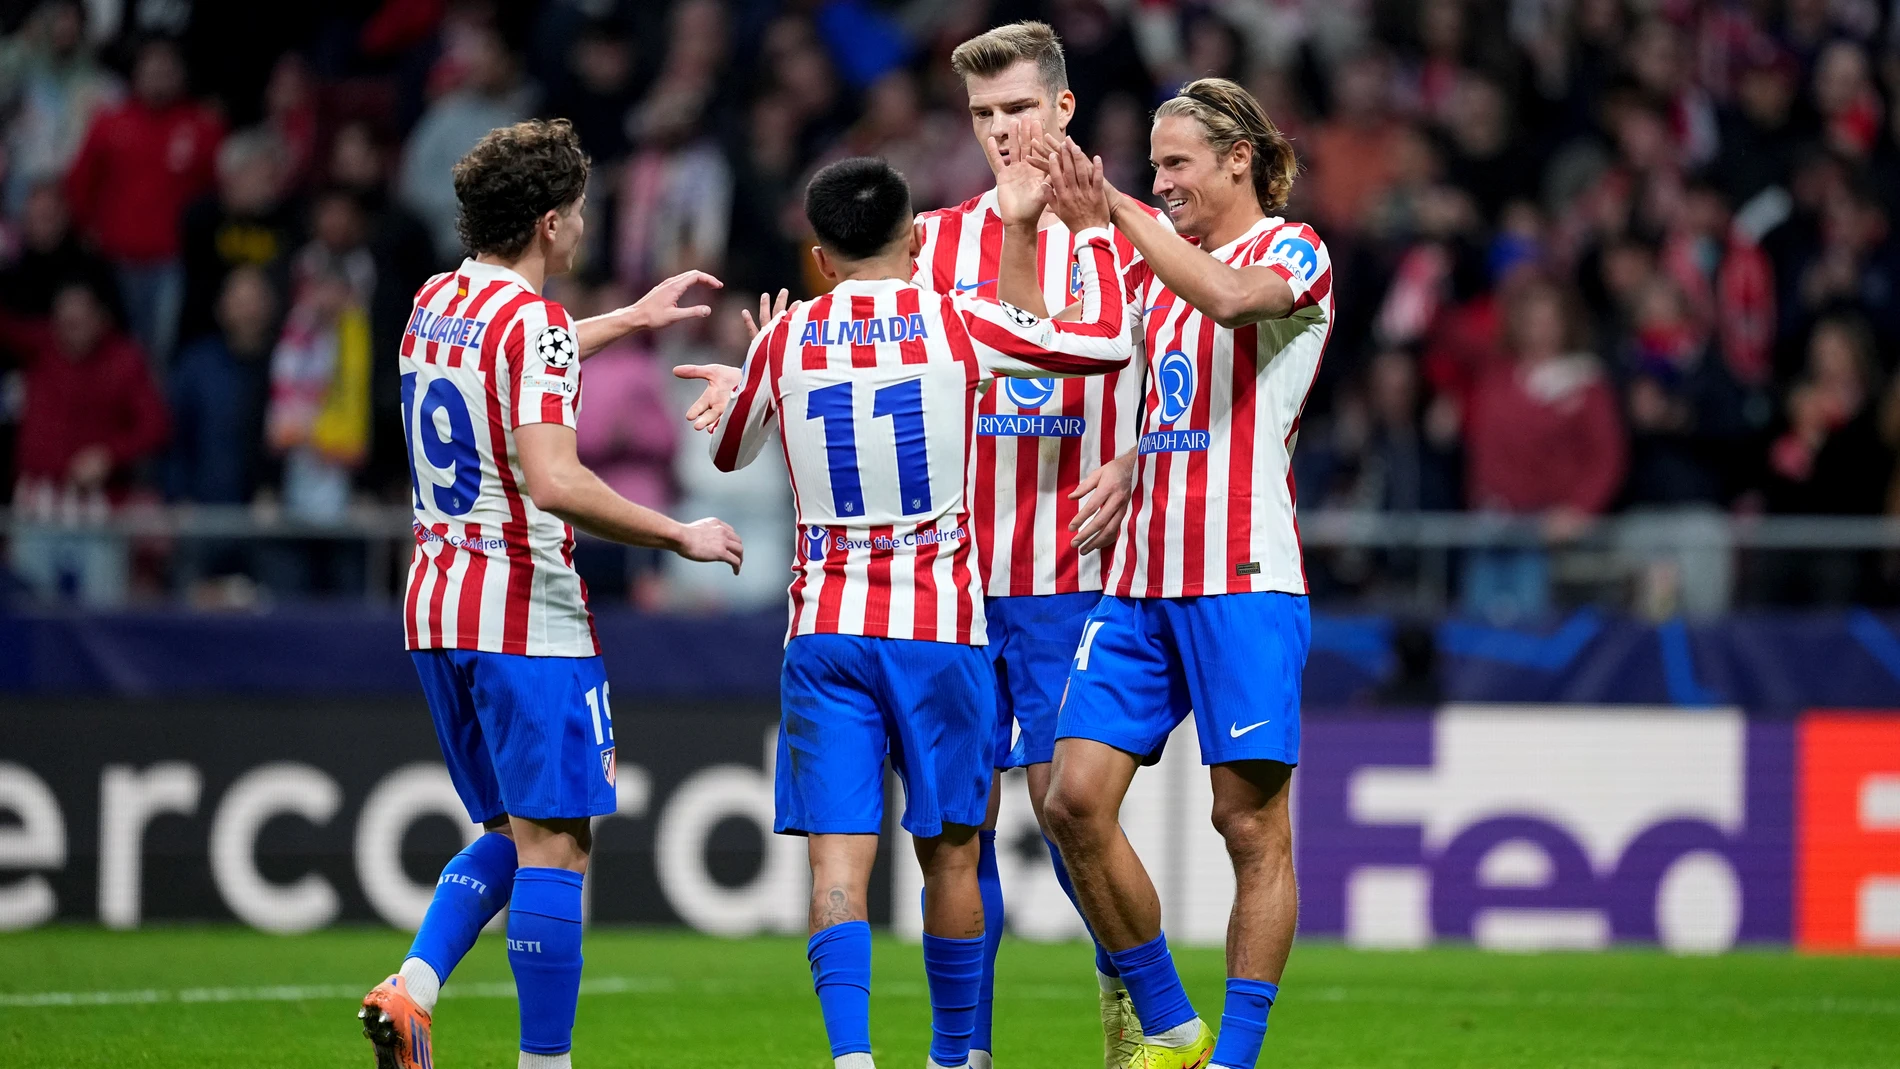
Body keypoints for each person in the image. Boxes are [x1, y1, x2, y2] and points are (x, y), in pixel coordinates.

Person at [687, 154, 1130, 1069]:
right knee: (953, 857)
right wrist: (1087, 236)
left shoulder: (786, 338)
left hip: (826, 631)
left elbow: (730, 452)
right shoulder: (954, 319)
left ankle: (853, 1059)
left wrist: (749, 367)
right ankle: (953, 1057)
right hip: (939, 630)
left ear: (819, 256)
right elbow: (1100, 344)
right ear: (919, 236)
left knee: (837, 868)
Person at [356, 119, 744, 1069]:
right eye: (577, 211)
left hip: (437, 602)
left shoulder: (432, 301)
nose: (583, 224)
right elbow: (557, 479)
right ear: (549, 224)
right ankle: (546, 1062)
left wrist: (632, 319)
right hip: (524, 609)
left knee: (508, 829)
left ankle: (414, 990)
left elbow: (524, 349)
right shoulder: (529, 326)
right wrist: (678, 531)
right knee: (557, 845)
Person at [1031, 77, 1332, 1069]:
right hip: (1141, 576)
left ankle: (1234, 1059)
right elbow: (1176, 405)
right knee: (1071, 797)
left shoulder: (1290, 249)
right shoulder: (1164, 270)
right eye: (1151, 166)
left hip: (1242, 576)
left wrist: (1109, 202)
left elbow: (1234, 303)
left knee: (1247, 821)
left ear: (1238, 158)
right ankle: (1167, 1023)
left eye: (1176, 165)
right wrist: (1129, 463)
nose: (1160, 183)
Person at [911, 24, 1163, 1066]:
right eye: (982, 113)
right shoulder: (930, 240)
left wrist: (1141, 453)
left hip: (1073, 576)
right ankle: (963, 1051)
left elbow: (1201, 378)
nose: (1001, 129)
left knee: (1068, 813)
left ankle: (1130, 991)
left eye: (1018, 108)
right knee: (957, 830)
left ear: (1062, 109)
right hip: (959, 578)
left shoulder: (1136, 232)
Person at [3, 281, 168, 605]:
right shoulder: (40, 347)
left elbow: (156, 426)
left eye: (79, 322)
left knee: (101, 609)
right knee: (30, 609)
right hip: (39, 503)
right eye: (64, 323)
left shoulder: (124, 360)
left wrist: (109, 455)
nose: (70, 332)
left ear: (100, 320)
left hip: (98, 507)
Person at [62, 36, 222, 365]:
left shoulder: (202, 126)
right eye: (151, 68)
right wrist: (87, 228)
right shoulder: (109, 122)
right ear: (136, 74)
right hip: (116, 258)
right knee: (117, 352)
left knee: (160, 352)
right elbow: (79, 181)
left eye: (167, 69)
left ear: (182, 74)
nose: (159, 76)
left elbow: (216, 192)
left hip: (172, 261)